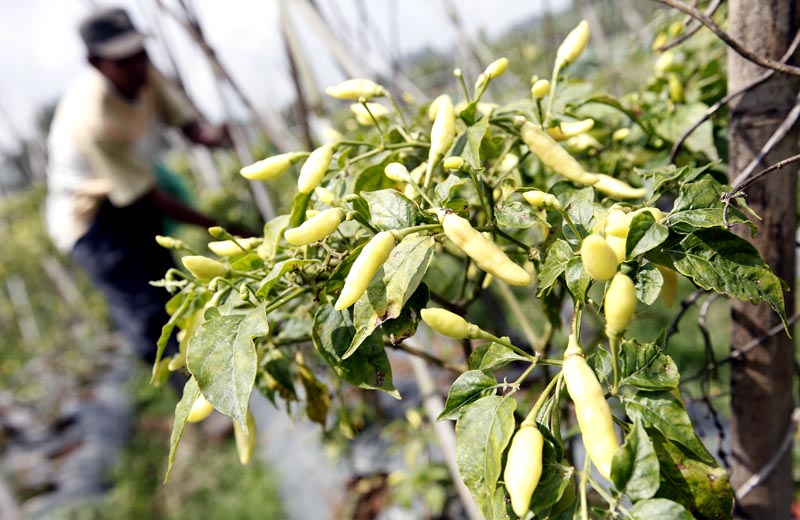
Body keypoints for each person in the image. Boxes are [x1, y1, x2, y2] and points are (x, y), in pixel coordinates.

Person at [45, 7, 233, 364]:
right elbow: (147, 197)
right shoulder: (91, 118)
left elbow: (188, 125)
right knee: (146, 311)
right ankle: (191, 403)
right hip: (90, 221)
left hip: (129, 202)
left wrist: (212, 137)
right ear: (96, 62)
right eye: (124, 60)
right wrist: (222, 229)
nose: (137, 66)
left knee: (173, 292)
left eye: (140, 54)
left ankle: (207, 375)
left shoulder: (143, 74)